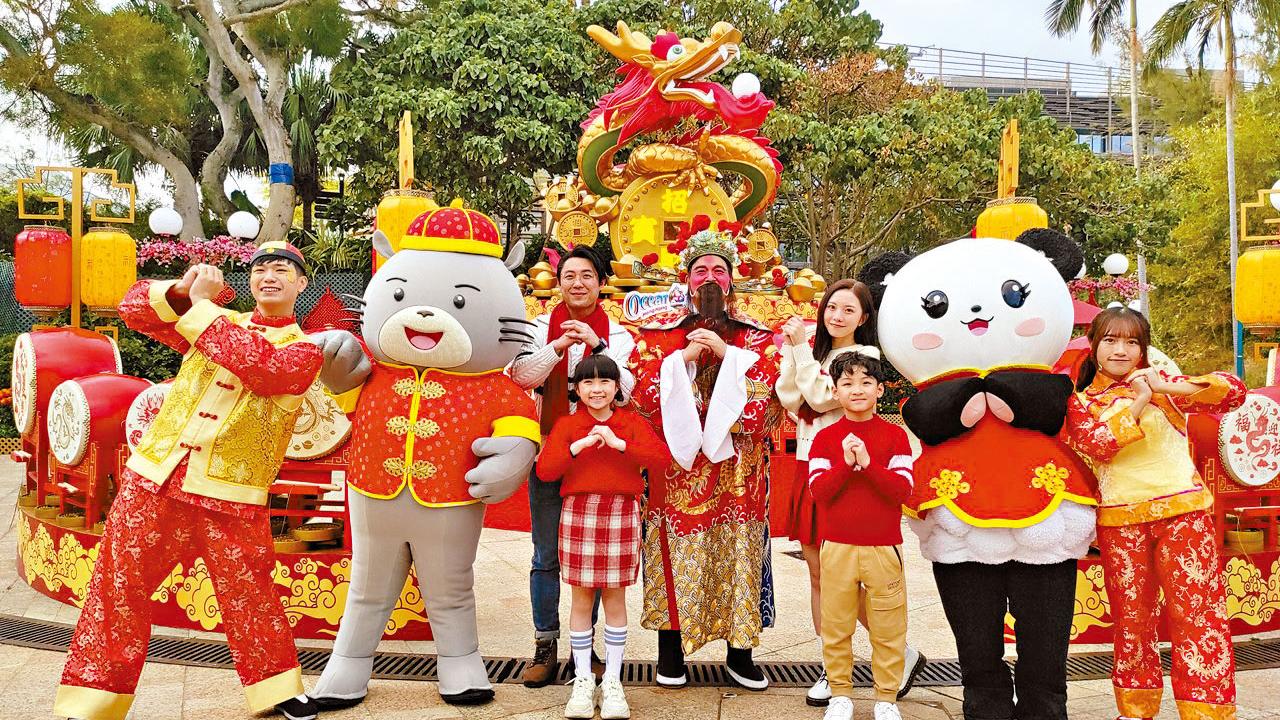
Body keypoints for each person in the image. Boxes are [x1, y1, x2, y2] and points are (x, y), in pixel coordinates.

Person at [54, 245, 323, 720]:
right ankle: (91, 701)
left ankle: (277, 689)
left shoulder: (305, 351)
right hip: (154, 476)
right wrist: (182, 289)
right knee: (118, 587)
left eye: (283, 269)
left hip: (231, 493)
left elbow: (263, 369)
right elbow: (134, 310)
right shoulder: (216, 323)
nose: (269, 275)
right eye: (260, 268)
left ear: (302, 285)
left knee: (249, 592)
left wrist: (201, 308)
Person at [1063, 308, 1245, 720]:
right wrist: (1140, 400)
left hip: (1183, 515)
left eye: (1131, 342)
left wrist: (1163, 386)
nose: (1120, 350)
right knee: (1132, 619)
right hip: (1120, 523)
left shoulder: (1166, 385)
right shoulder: (1080, 403)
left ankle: (1207, 711)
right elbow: (1098, 445)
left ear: (1143, 347)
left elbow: (1234, 392)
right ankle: (1135, 707)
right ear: (1094, 346)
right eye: (1110, 340)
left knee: (1197, 614)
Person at [629, 216, 782, 690]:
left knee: (740, 554)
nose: (710, 278)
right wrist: (685, 361)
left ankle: (741, 653)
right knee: (672, 554)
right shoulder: (659, 333)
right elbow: (639, 391)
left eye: (719, 270)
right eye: (701, 271)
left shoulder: (755, 336)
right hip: (676, 474)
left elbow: (769, 402)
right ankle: (670, 653)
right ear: (686, 280)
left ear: (732, 279)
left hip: (739, 474)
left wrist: (729, 355)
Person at [776, 280, 926, 706]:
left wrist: (803, 353)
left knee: (847, 579)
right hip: (814, 462)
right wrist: (797, 352)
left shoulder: (863, 360)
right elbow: (790, 396)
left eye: (848, 310)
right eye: (831, 307)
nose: (836, 316)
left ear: (864, 318)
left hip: (852, 472)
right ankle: (837, 666)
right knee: (819, 574)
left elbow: (821, 399)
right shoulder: (817, 353)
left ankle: (891, 654)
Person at [509, 245, 636, 686]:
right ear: (557, 283)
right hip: (550, 448)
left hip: (598, 457)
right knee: (546, 554)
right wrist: (558, 347)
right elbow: (521, 376)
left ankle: (591, 647)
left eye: (587, 275)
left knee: (594, 557)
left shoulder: (619, 334)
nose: (578, 283)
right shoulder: (540, 325)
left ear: (602, 283)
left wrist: (597, 347)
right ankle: (545, 644)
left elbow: (626, 392)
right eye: (569, 276)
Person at [536, 354, 671, 719]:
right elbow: (546, 470)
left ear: (616, 389)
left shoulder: (629, 423)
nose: (597, 390)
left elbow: (661, 459)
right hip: (579, 512)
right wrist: (577, 447)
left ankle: (612, 680)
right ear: (577, 389)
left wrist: (619, 444)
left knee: (614, 597)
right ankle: (582, 680)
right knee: (580, 599)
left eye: (605, 382)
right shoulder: (567, 425)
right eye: (588, 383)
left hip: (621, 512)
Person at [807, 352, 913, 720]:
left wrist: (868, 464)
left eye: (866, 382)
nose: (857, 390)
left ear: (880, 389)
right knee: (836, 625)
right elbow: (819, 492)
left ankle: (886, 698)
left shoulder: (895, 436)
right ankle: (840, 695)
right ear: (835, 392)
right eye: (847, 383)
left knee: (888, 625)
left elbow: (903, 491)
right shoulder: (824, 438)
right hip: (836, 547)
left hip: (884, 547)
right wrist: (846, 463)